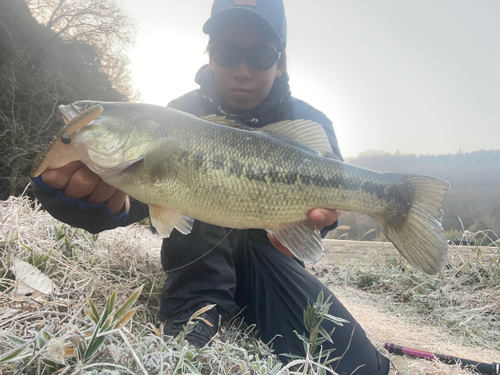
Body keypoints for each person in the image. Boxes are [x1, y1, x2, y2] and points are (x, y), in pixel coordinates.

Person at [32, 1, 390, 373]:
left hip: (271, 257)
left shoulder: (309, 122)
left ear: (281, 62)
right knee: (197, 200)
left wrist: (321, 222)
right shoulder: (180, 112)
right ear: (210, 56)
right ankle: (198, 313)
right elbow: (136, 203)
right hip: (197, 261)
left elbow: (325, 212)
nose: (242, 70)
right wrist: (89, 206)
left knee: (356, 363)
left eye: (261, 55)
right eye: (227, 52)